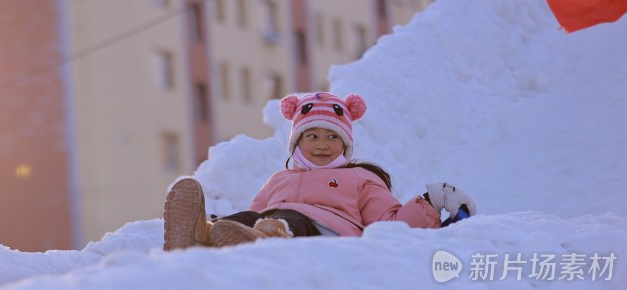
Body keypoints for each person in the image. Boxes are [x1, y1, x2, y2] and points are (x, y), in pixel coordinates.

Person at [163, 91, 476, 251]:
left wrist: (429, 203)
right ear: (297, 143)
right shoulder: (279, 179)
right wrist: (231, 225)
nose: (322, 145)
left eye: (332, 137)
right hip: (274, 222)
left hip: (326, 234)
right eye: (312, 136)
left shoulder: (360, 178)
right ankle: (199, 234)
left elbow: (390, 224)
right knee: (247, 219)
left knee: (289, 219)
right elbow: (255, 212)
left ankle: (268, 236)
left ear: (346, 144)